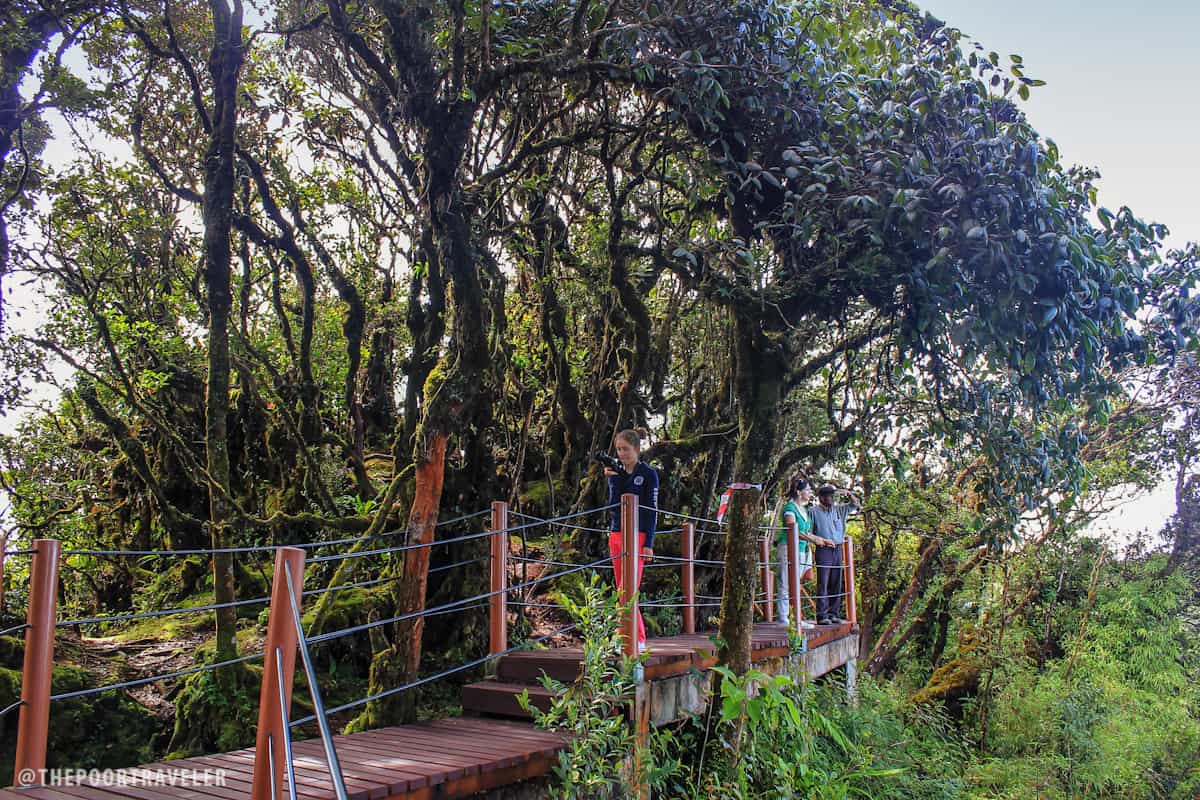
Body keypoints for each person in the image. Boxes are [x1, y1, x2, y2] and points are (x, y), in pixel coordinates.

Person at [604, 429, 659, 651]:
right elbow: (612, 506)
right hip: (617, 533)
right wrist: (613, 482)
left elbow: (652, 510)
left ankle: (638, 639)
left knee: (629, 588)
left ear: (637, 449)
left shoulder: (648, 474)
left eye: (626, 449)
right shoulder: (616, 473)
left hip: (638, 536)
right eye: (618, 449)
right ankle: (623, 636)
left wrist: (649, 544)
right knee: (621, 589)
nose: (622, 453)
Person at [774, 477, 835, 625]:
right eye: (807, 490)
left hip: (801, 550)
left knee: (795, 583)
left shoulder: (805, 510)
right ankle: (783, 618)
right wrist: (813, 540)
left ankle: (795, 619)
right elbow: (792, 528)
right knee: (785, 582)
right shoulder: (790, 508)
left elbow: (806, 532)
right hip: (788, 548)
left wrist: (823, 540)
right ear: (799, 492)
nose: (810, 492)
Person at [810, 484, 860, 625]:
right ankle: (822, 615)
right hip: (823, 548)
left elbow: (856, 505)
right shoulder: (813, 511)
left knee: (836, 581)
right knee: (823, 582)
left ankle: (833, 613)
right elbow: (809, 531)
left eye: (831, 496)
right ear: (820, 497)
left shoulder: (839, 510)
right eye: (826, 496)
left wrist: (848, 493)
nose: (829, 498)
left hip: (837, 548)